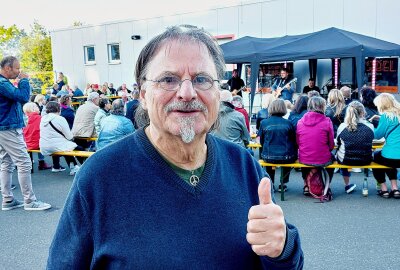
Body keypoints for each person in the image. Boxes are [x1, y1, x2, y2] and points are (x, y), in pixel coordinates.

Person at [47, 25, 303, 269]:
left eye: (202, 79)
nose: (187, 93)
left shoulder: (243, 164)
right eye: (168, 79)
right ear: (143, 95)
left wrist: (282, 249)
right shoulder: (99, 176)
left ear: (217, 93)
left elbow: (287, 263)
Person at [0, 56, 51, 211]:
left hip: (4, 127)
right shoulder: (2, 83)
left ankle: (8, 199)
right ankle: (30, 201)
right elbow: (23, 97)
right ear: (7, 68)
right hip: (8, 127)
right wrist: (24, 81)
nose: (19, 71)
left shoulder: (4, 83)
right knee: (24, 162)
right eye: (17, 68)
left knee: (6, 163)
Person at [296, 96, 335, 196]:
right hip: (322, 158)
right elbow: (331, 144)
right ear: (323, 107)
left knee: (304, 158)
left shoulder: (300, 122)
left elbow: (298, 142)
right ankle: (327, 184)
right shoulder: (327, 121)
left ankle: (306, 184)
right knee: (332, 160)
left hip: (305, 157)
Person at [258, 99, 297, 192]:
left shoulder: (264, 123)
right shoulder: (289, 123)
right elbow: (294, 141)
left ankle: (271, 183)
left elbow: (261, 142)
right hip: (287, 157)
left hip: (268, 156)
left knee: (269, 162)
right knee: (289, 160)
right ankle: (283, 183)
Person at [336, 101, 374, 194]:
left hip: (346, 160)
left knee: (341, 152)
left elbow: (338, 143)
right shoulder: (370, 126)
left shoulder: (342, 126)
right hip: (365, 159)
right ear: (362, 112)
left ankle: (347, 184)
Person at [370, 93, 400, 199]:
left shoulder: (385, 117)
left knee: (377, 157)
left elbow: (377, 135)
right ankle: (395, 188)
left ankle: (384, 189)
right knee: (387, 156)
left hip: (390, 157)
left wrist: (371, 125)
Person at [40, 101, 82, 176]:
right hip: (55, 146)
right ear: (58, 109)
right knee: (77, 148)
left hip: (44, 146)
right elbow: (69, 136)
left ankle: (67, 166)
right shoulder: (60, 118)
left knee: (66, 146)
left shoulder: (43, 119)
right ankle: (82, 167)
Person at [22, 102, 52, 170]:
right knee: (41, 140)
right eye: (36, 107)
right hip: (38, 144)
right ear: (33, 109)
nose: (38, 108)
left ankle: (33, 163)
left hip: (27, 143)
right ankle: (44, 163)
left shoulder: (25, 119)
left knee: (37, 139)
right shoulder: (39, 118)